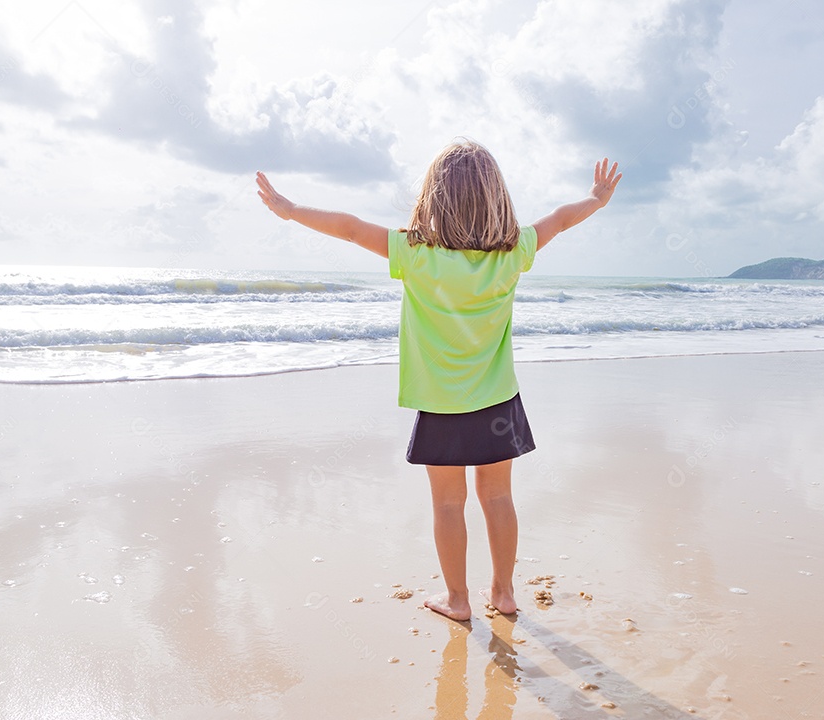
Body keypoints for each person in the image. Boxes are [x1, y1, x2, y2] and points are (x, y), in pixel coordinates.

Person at [256, 139, 622, 621]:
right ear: (496, 198)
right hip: (498, 400)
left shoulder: (414, 254)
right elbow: (559, 219)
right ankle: (504, 593)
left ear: (434, 198)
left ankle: (458, 599)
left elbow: (349, 228)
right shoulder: (513, 252)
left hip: (442, 404)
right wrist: (595, 199)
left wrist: (290, 210)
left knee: (449, 504)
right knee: (499, 496)